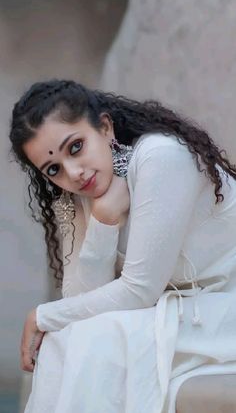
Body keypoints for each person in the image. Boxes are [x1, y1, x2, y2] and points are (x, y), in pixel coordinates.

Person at [9, 79, 236, 413]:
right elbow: (79, 302)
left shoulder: (161, 158)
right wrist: (103, 219)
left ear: (104, 127)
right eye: (53, 169)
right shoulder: (74, 201)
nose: (73, 173)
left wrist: (42, 315)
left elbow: (139, 292)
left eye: (75, 147)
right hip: (182, 317)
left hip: (224, 309)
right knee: (69, 338)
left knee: (92, 338)